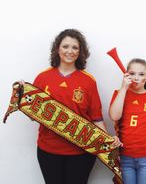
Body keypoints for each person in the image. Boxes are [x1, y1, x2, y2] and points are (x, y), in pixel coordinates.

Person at [26, 29, 121, 184]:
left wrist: (108, 140)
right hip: (48, 150)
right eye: (65, 46)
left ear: (80, 51)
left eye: (75, 47)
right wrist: (24, 94)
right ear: (57, 49)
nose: (70, 51)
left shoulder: (88, 81)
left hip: (82, 152)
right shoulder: (43, 77)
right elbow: (32, 116)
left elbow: (96, 119)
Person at [109, 58, 146, 184]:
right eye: (132, 73)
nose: (136, 77)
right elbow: (114, 116)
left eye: (141, 74)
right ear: (126, 75)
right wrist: (124, 88)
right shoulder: (119, 94)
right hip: (125, 157)